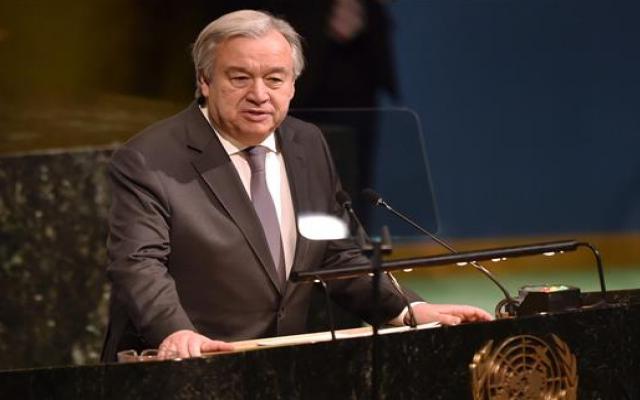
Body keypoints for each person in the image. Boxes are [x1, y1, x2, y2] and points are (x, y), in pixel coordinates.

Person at [101, 9, 491, 362]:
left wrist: (407, 309)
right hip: (185, 364)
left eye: (274, 79)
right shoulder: (149, 159)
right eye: (240, 78)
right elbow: (139, 264)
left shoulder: (307, 144)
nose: (259, 95)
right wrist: (177, 332)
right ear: (204, 81)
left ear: (292, 85)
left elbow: (338, 254)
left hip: (282, 367)